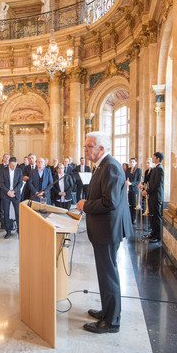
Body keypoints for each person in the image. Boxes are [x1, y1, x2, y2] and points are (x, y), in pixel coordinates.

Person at [76, 131, 133, 334]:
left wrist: (85, 205)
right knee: (105, 272)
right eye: (85, 146)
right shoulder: (103, 165)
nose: (85, 150)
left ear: (101, 148)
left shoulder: (110, 167)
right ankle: (108, 311)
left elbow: (110, 202)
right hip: (104, 229)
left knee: (109, 274)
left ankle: (112, 321)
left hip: (108, 230)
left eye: (89, 146)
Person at [0, 157, 23, 239]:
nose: (13, 167)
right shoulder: (3, 170)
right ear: (9, 164)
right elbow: (1, 183)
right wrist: (8, 191)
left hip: (15, 195)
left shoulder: (19, 170)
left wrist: (14, 191)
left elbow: (20, 183)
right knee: (6, 214)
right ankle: (8, 232)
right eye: (12, 165)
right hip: (6, 194)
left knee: (18, 214)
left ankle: (19, 232)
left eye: (15, 165)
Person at [147, 152, 164, 244]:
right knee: (153, 216)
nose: (152, 158)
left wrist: (148, 191)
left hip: (156, 196)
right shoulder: (156, 168)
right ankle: (153, 233)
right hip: (153, 196)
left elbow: (157, 184)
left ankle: (157, 237)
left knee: (157, 217)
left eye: (153, 157)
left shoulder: (160, 169)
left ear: (158, 158)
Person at [125, 157, 142, 225]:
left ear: (136, 163)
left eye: (133, 162)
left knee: (135, 204)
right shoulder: (128, 170)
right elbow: (125, 177)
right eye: (131, 162)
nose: (132, 163)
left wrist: (131, 183)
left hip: (135, 189)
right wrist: (126, 182)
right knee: (130, 204)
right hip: (129, 189)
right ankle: (130, 218)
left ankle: (135, 218)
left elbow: (138, 181)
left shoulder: (138, 170)